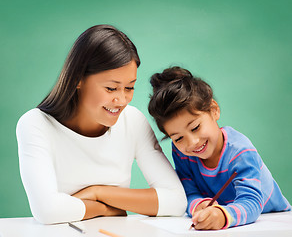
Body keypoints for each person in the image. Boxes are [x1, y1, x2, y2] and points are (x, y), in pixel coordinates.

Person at [16, 25, 187, 225]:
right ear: (78, 79)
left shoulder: (132, 121)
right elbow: (47, 211)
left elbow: (176, 201)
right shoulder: (36, 124)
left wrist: (97, 192)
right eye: (111, 88)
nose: (122, 100)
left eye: (129, 87)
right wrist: (106, 209)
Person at [148, 66, 291, 230]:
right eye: (178, 138)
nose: (192, 142)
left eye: (195, 127)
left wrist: (222, 216)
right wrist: (198, 205)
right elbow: (188, 192)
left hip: (274, 221)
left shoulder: (241, 152)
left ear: (214, 110)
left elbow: (252, 202)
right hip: (232, 225)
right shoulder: (182, 154)